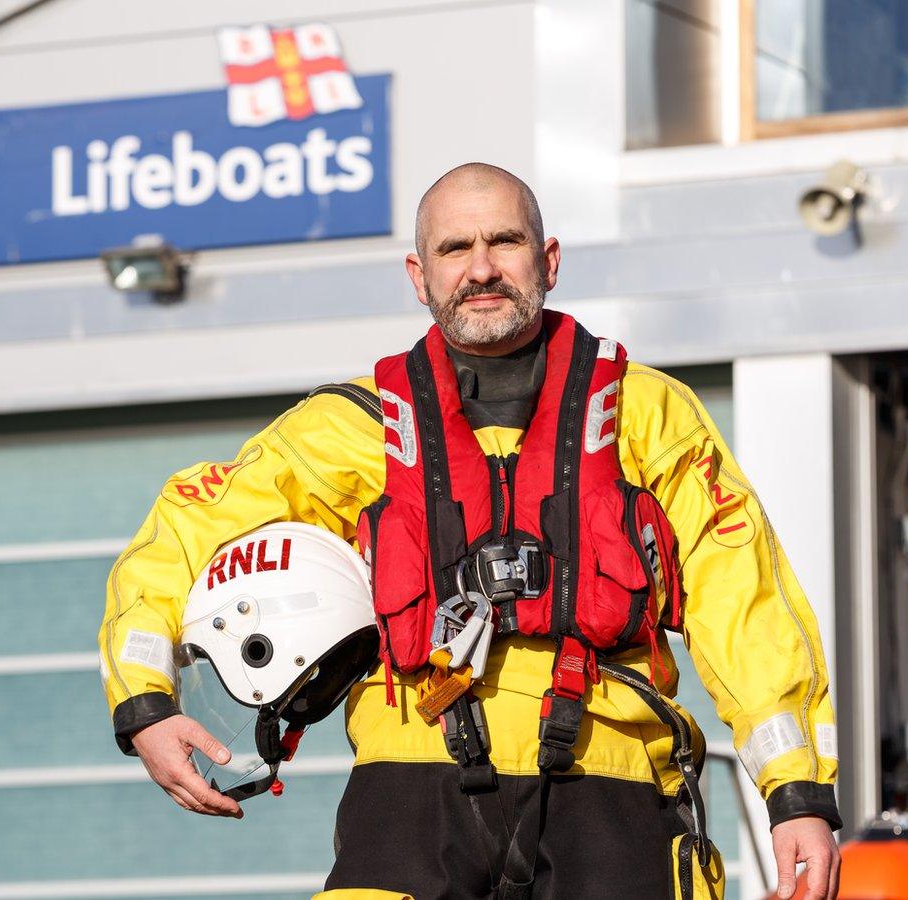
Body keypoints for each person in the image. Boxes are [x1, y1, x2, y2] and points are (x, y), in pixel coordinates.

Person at [99, 163, 842, 900]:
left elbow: (743, 601)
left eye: (505, 241)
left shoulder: (647, 415)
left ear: (548, 260)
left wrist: (796, 791)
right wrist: (146, 703)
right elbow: (187, 527)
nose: (481, 269)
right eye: (456, 249)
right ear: (418, 275)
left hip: (609, 784)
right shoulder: (352, 428)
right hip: (410, 791)